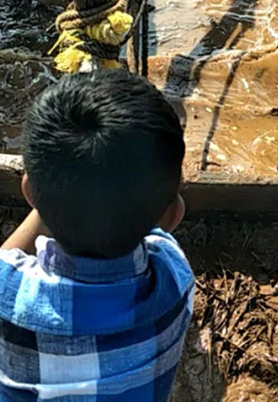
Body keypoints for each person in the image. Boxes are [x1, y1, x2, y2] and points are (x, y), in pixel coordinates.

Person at [0, 70, 194, 401]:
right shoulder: (175, 276)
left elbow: (6, 257)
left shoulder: (8, 294)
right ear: (172, 215)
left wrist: (50, 200)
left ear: (29, 192)